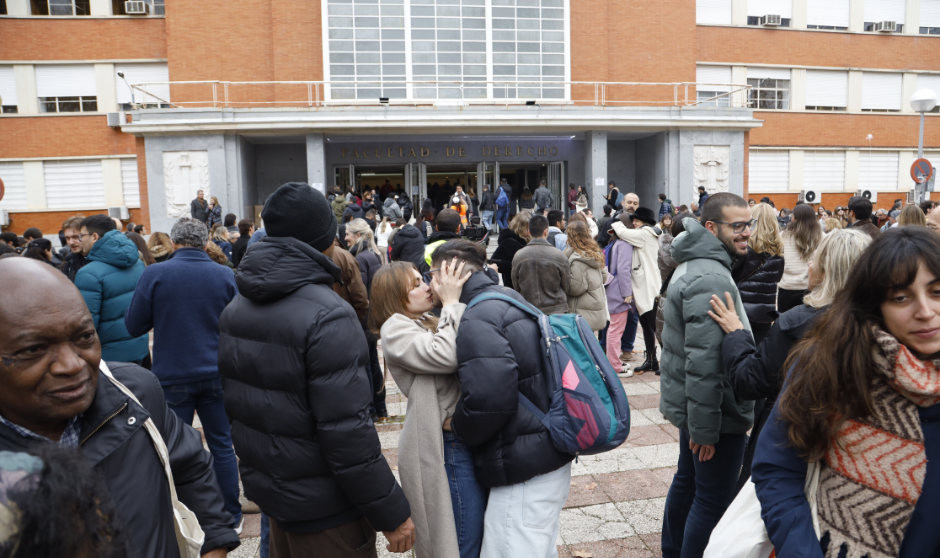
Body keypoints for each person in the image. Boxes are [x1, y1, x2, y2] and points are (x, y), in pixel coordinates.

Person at [218, 183, 414, 557]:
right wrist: (392, 513)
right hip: (327, 513)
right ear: (327, 237)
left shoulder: (237, 306)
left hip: (278, 500)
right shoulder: (327, 314)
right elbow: (348, 436)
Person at [0, 257, 240, 557]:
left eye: (84, 337)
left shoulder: (136, 393)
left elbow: (190, 467)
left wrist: (214, 543)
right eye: (34, 349)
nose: (72, 365)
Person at [752, 228, 940, 557]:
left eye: (937, 291)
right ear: (874, 303)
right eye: (901, 297)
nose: (924, 311)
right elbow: (777, 466)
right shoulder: (831, 362)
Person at [433, 239, 574, 558]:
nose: (430, 285)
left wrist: (457, 425)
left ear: (450, 272)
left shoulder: (478, 315)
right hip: (541, 448)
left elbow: (490, 398)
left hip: (524, 461)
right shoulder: (505, 296)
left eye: (432, 275)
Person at [707, 229, 871, 489]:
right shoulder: (881, 323)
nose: (809, 264)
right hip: (858, 460)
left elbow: (750, 381)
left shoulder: (798, 324)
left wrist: (737, 334)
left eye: (816, 259)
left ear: (829, 271)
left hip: (791, 448)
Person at [125, 217, 243, 532]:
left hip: (173, 373)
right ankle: (231, 514)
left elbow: (134, 325)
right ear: (206, 242)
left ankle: (185, 514)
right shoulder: (224, 275)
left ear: (174, 242)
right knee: (222, 443)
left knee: (174, 445)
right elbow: (239, 324)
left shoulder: (155, 274)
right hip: (218, 371)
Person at [660, 193, 754, 558]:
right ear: (711, 228)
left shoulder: (699, 263)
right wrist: (705, 430)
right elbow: (706, 362)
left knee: (688, 484)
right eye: (738, 226)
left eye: (749, 224)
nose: (746, 233)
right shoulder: (710, 277)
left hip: (700, 407)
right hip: (716, 413)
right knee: (711, 500)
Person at [371, 259, 484, 558]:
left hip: (456, 436)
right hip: (445, 445)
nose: (426, 286)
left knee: (471, 533)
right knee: (462, 539)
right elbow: (446, 355)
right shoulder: (394, 328)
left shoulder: (422, 321)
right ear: (396, 296)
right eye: (416, 284)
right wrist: (450, 303)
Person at [74, 214, 150, 367]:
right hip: (140, 349)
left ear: (94, 236)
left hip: (109, 359)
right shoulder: (137, 263)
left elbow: (86, 324)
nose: (79, 240)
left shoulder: (89, 273)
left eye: (81, 236)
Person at [609, 207, 663, 374]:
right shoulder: (647, 233)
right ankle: (651, 360)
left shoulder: (645, 233)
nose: (633, 223)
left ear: (644, 222)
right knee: (648, 327)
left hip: (648, 288)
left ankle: (666, 361)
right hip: (645, 288)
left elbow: (623, 232)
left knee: (655, 327)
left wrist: (617, 221)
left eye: (636, 220)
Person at [346, 218, 388, 419]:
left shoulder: (360, 258)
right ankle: (380, 406)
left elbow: (360, 293)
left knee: (367, 364)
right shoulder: (374, 255)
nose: (345, 238)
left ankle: (371, 408)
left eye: (348, 234)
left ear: (359, 236)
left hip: (364, 319)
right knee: (372, 362)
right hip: (373, 317)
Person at [732, 202, 784, 345]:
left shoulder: (744, 250)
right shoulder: (779, 252)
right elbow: (778, 278)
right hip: (765, 313)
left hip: (742, 310)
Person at [511, 214, 570, 314]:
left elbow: (516, 285)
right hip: (556, 310)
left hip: (528, 309)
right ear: (546, 231)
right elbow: (566, 285)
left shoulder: (519, 256)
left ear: (529, 232)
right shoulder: (559, 255)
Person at [604, 212, 636, 376]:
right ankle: (615, 365)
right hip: (618, 291)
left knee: (613, 329)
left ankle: (614, 361)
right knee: (616, 330)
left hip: (612, 289)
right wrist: (627, 293)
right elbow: (623, 270)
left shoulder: (616, 242)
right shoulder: (624, 244)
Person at [564, 220, 609, 333]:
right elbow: (604, 277)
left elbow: (575, 288)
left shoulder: (577, 260)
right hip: (593, 309)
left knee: (581, 347)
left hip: (581, 313)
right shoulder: (594, 253)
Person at [778, 204, 822, 314]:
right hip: (810, 287)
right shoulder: (821, 236)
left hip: (786, 287)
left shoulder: (783, 235)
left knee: (785, 323)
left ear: (795, 218)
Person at [489, 211, 530, 289]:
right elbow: (494, 262)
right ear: (520, 227)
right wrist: (515, 266)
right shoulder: (508, 241)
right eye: (527, 228)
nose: (529, 231)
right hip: (512, 284)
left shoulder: (528, 239)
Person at [59, 215, 88, 281]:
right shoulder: (68, 262)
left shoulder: (101, 261)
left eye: (75, 237)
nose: (71, 242)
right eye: (67, 238)